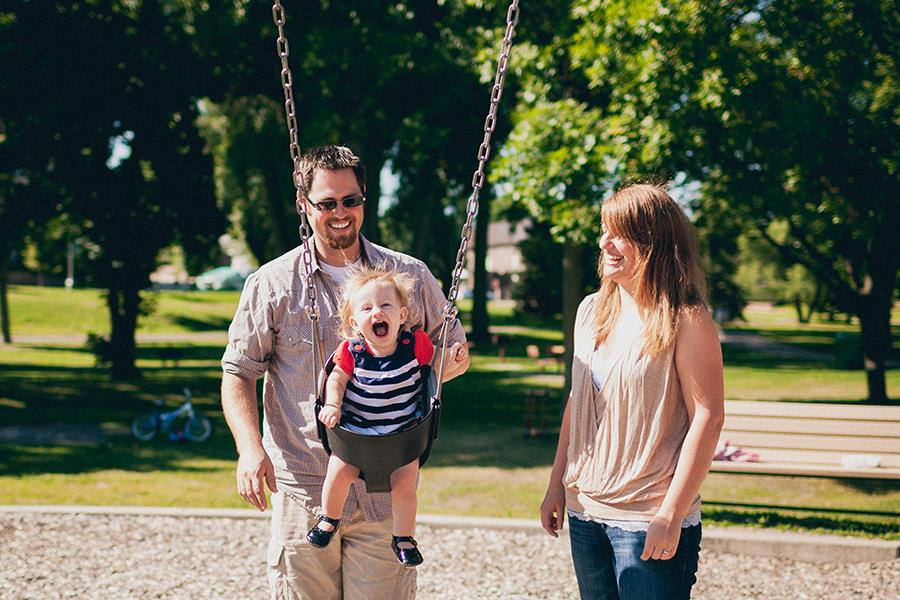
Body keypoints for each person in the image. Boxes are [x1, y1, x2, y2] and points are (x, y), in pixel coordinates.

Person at [221, 145, 469, 599]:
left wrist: (445, 365)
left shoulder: (408, 275)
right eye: (327, 203)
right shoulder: (273, 284)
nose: (341, 213)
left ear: (364, 200)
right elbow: (238, 371)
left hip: (384, 489)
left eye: (351, 200)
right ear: (304, 204)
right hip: (305, 486)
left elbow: (450, 352)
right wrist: (249, 450)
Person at [539, 183, 724, 600]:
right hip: (585, 511)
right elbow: (578, 402)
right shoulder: (591, 310)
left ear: (654, 243)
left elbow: (708, 418)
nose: (604, 243)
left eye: (619, 233)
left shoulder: (686, 319)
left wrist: (671, 513)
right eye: (603, 230)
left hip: (647, 517)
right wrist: (556, 484)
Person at [308, 267, 432, 567]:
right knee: (339, 471)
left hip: (403, 435)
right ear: (354, 323)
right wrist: (333, 405)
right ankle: (329, 518)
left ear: (402, 315)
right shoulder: (352, 351)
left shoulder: (415, 345)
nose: (377, 312)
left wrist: (453, 357)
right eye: (367, 308)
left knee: (405, 485)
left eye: (386, 305)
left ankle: (403, 537)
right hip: (357, 435)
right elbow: (336, 380)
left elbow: (435, 369)